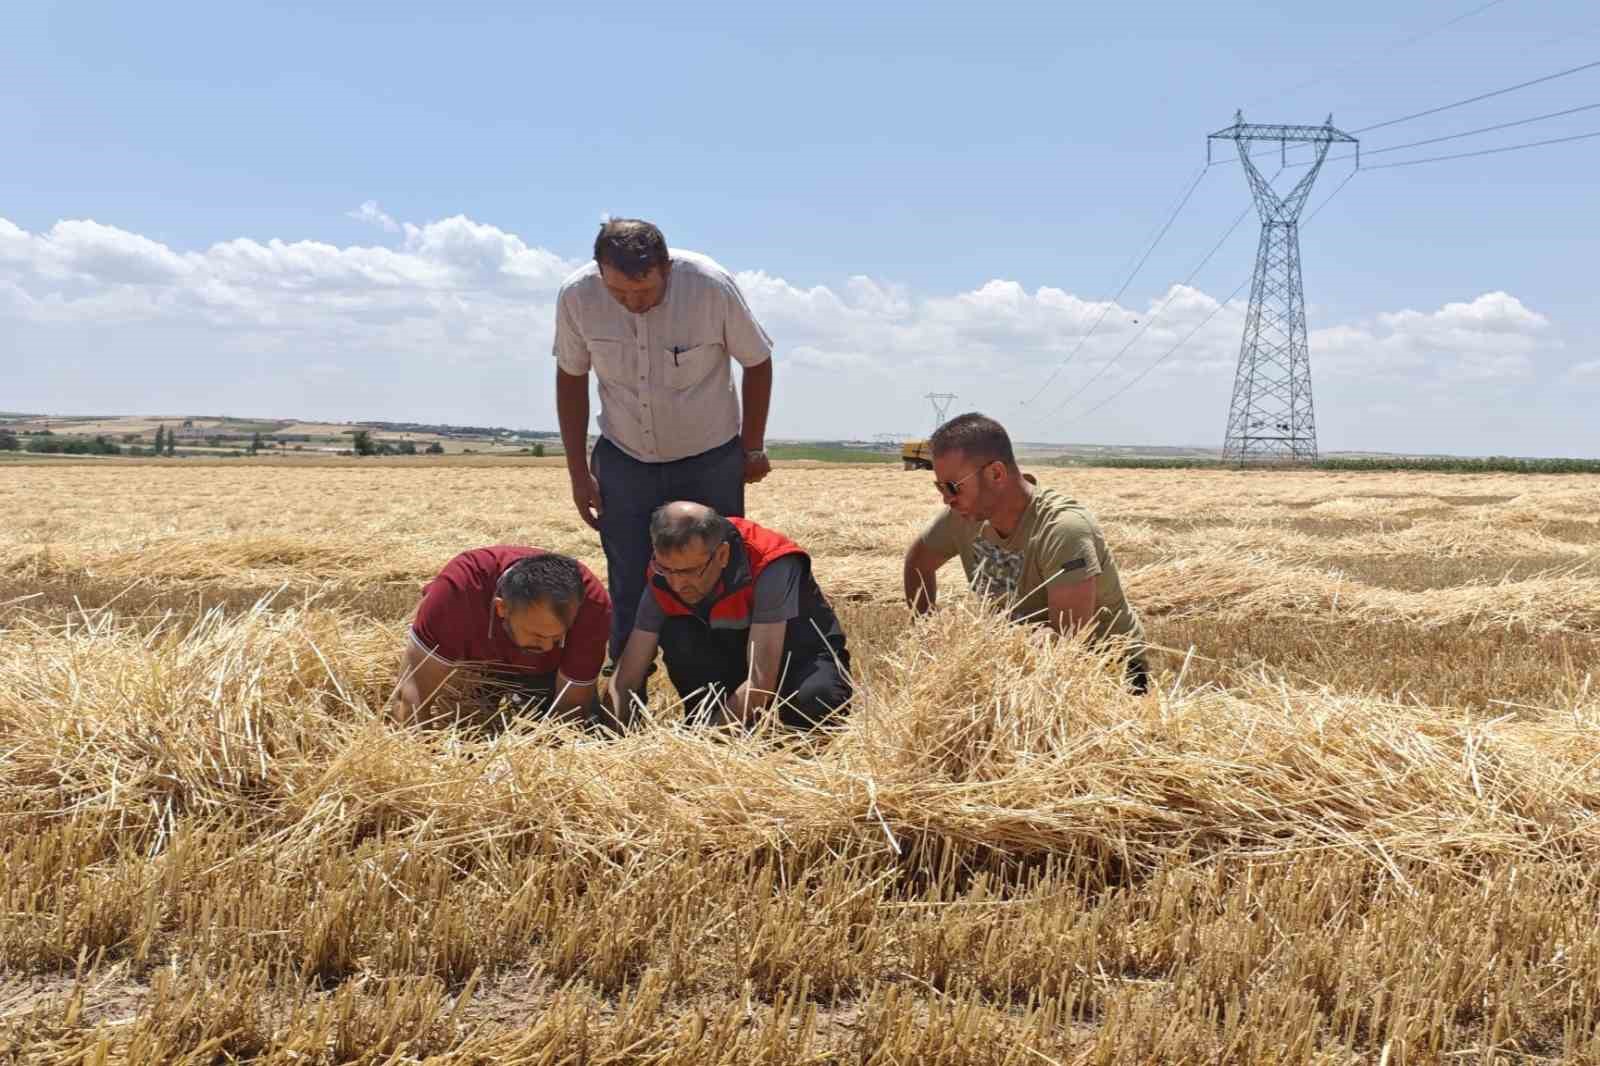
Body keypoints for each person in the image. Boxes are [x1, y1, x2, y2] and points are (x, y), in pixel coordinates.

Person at [554, 218, 775, 671]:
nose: (634, 304)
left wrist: (751, 447)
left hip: (708, 461)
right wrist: (578, 472)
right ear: (600, 273)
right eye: (619, 293)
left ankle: (725, 682)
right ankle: (626, 691)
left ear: (667, 268)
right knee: (629, 577)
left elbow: (758, 360)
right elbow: (571, 378)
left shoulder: (710, 286)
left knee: (716, 572)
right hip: (625, 459)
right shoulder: (577, 295)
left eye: (646, 291)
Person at [901, 413, 1150, 693]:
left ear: (996, 474)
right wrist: (926, 631)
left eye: (952, 487)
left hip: (1104, 671)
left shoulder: (1063, 530)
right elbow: (918, 563)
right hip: (1016, 667)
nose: (946, 498)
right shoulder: (961, 517)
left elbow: (1069, 645)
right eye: (939, 486)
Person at [609, 502, 851, 730]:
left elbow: (760, 683)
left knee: (816, 702)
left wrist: (703, 743)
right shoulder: (662, 575)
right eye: (666, 569)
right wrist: (613, 736)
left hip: (798, 652)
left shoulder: (769, 562)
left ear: (722, 555)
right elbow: (627, 676)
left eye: (689, 572)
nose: (677, 583)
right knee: (680, 636)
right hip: (731, 650)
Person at [393, 547, 611, 725]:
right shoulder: (460, 589)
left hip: (548, 674)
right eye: (537, 634)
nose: (546, 646)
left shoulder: (593, 605)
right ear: (502, 608)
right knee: (459, 725)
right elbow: (412, 696)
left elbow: (570, 708)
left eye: (557, 638)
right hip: (472, 667)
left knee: (587, 730)